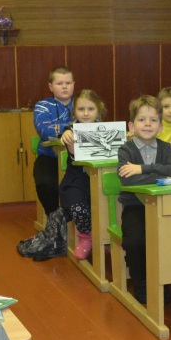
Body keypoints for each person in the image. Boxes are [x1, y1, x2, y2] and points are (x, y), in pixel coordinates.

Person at [119, 95, 171, 304]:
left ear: (161, 127)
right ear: (131, 126)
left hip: (163, 207)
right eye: (141, 119)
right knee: (136, 241)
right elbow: (128, 181)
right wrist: (159, 175)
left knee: (169, 238)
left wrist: (143, 168)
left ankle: (163, 281)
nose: (147, 124)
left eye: (153, 120)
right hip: (135, 206)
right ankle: (142, 282)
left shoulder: (165, 148)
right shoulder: (126, 149)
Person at [57, 89, 107, 260]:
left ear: (99, 110)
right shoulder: (70, 130)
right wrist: (67, 135)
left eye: (91, 109)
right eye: (81, 109)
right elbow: (70, 144)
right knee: (78, 205)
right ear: (74, 111)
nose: (86, 113)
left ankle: (105, 237)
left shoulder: (108, 130)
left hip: (101, 177)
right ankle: (86, 237)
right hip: (77, 179)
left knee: (112, 202)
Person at [32, 66, 75, 216]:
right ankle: (54, 219)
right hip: (49, 157)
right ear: (51, 87)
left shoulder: (83, 104)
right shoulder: (43, 106)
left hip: (78, 159)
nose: (64, 87)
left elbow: (94, 126)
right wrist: (70, 129)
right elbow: (44, 131)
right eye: (59, 83)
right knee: (45, 183)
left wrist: (61, 128)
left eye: (68, 83)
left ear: (74, 84)